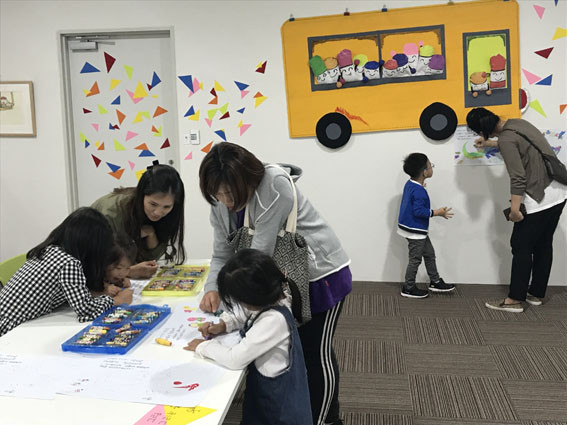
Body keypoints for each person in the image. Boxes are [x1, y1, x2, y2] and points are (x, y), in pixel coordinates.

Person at [198, 142, 351, 425]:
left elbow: (258, 257)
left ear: (246, 179)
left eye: (230, 193)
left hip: (319, 277)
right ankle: (303, 411)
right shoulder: (220, 204)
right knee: (293, 354)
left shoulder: (273, 184)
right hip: (279, 282)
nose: (225, 201)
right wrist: (212, 289)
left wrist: (231, 310)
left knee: (315, 353)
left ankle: (328, 420)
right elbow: (221, 254)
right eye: (217, 194)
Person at [185, 249, 312, 425]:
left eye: (238, 300)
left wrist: (203, 346)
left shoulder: (273, 320)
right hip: (271, 396)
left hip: (278, 410)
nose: (239, 304)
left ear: (252, 298)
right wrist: (223, 325)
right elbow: (245, 314)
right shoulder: (274, 297)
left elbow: (235, 359)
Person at [467, 107, 567, 312]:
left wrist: (514, 209)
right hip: (558, 192)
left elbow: (518, 177)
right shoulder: (518, 124)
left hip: (539, 197)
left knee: (520, 245)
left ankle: (514, 300)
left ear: (482, 130)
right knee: (543, 244)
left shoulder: (506, 140)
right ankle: (537, 294)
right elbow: (523, 145)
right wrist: (491, 144)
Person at [0, 207, 133, 337]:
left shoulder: (51, 250)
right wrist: (118, 300)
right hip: (9, 330)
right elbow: (85, 310)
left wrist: (100, 291)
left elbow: (73, 294)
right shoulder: (68, 263)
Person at [91, 163, 186, 279]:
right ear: (142, 196)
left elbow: (151, 260)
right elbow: (93, 264)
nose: (158, 212)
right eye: (153, 204)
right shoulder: (111, 213)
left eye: (166, 207)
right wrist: (129, 271)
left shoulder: (168, 215)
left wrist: (152, 235)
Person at [397, 153, 455, 298]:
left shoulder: (411, 184)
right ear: (424, 172)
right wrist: (437, 212)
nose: (432, 168)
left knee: (429, 254)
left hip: (414, 228)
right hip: (415, 230)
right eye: (430, 166)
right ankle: (408, 287)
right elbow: (418, 211)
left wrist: (422, 189)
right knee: (415, 259)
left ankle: (435, 281)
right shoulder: (419, 191)